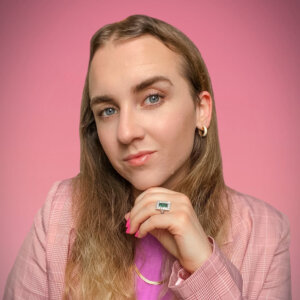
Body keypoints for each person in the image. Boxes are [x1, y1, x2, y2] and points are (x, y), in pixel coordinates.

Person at [4, 14, 291, 300]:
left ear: (201, 110)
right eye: (108, 110)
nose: (126, 133)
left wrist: (205, 265)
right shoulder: (60, 211)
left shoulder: (265, 233)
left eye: (152, 98)